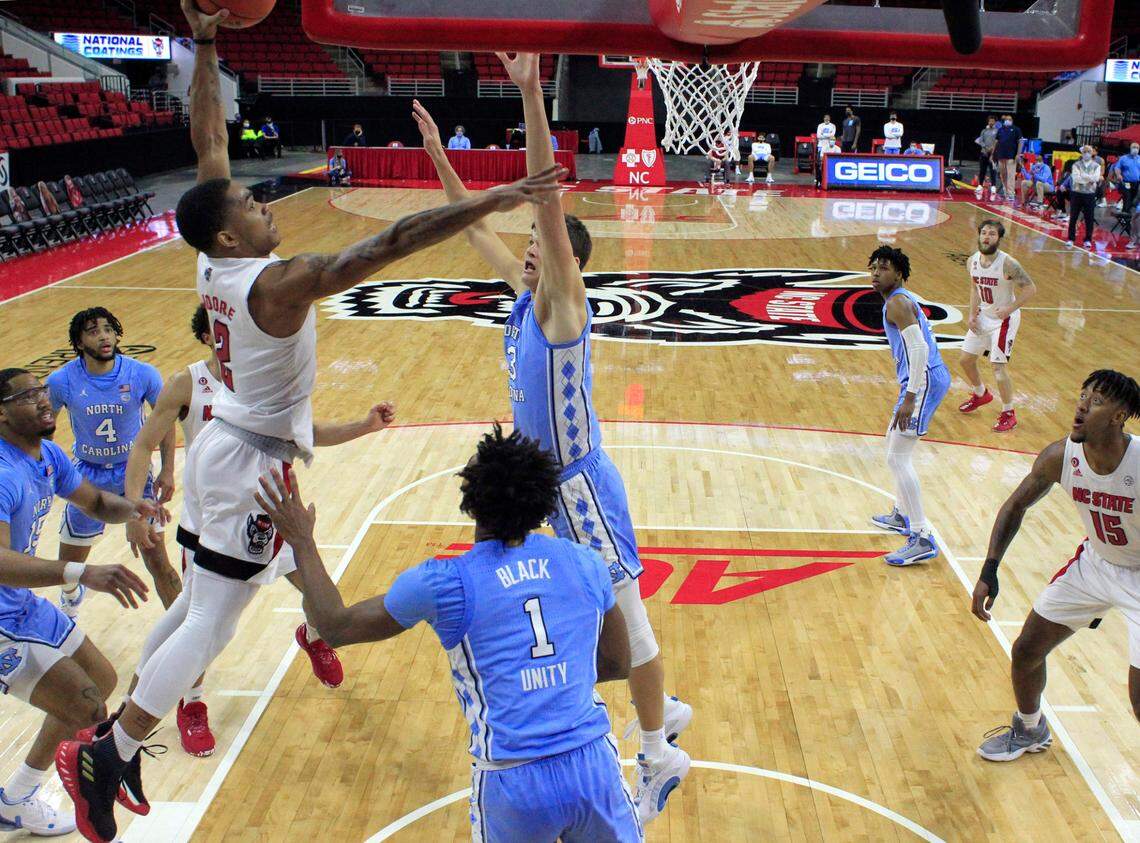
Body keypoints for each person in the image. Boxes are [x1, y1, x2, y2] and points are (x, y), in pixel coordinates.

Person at [52, 5, 567, 842]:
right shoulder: (273, 284)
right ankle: (110, 750)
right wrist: (494, 199)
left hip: (238, 450)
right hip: (248, 460)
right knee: (214, 620)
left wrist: (209, 43)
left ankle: (121, 741)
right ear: (232, 230)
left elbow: (207, 147)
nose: (265, 206)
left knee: (197, 614)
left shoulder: (215, 256)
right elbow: (384, 246)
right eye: (256, 205)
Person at [414, 61, 693, 826]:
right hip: (545, 486)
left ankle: (659, 750)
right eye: (529, 250)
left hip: (581, 483)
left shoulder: (565, 307)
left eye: (541, 246)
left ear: (564, 257)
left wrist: (534, 93)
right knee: (603, 624)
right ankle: (660, 705)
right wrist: (441, 156)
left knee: (629, 623)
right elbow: (473, 226)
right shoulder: (522, 297)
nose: (528, 254)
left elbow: (545, 192)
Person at [254, 426, 642, 842]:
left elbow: (334, 626)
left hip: (514, 779)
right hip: (592, 769)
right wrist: (552, 677)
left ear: (472, 501)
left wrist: (302, 541)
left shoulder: (445, 582)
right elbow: (619, 663)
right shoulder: (585, 562)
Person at [0, 368, 153, 837]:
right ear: (2, 413)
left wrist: (137, 506)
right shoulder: (2, 473)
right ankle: (27, 796)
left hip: (18, 602)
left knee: (101, 681)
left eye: (43, 390)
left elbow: (96, 504)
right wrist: (80, 572)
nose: (44, 401)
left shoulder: (45, 454)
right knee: (86, 706)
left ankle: (15, 800)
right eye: (28, 396)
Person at [972, 370, 1140, 760]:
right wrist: (989, 569)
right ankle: (1030, 730)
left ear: (1119, 416)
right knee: (1027, 651)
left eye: (1096, 400)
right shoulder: (1061, 455)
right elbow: (1016, 504)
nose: (1081, 405)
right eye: (1082, 396)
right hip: (1096, 566)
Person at [45, 308, 177, 615]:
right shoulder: (61, 380)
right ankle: (70, 597)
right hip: (88, 478)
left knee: (160, 563)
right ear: (79, 342)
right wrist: (41, 471)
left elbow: (166, 421)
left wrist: (168, 470)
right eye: (93, 331)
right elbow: (44, 429)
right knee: (68, 566)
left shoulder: (142, 373)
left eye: (108, 329)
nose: (104, 336)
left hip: (136, 474)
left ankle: (181, 629)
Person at [867, 246, 951, 566]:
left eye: (884, 268)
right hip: (924, 379)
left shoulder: (898, 303)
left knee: (897, 457)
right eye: (873, 267)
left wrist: (912, 396)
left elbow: (918, 350)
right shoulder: (899, 299)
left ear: (899, 273)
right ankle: (902, 515)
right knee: (894, 444)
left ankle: (922, 535)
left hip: (923, 380)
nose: (876, 273)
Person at [957, 220, 1037, 433]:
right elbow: (975, 289)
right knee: (965, 359)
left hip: (1005, 320)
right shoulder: (972, 261)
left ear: (999, 239)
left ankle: (1008, 412)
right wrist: (972, 313)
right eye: (984, 232)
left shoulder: (1008, 263)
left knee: (998, 368)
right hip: (984, 315)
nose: (986, 236)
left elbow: (1030, 289)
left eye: (992, 233)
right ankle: (981, 394)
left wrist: (1010, 308)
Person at [1067, 145, 1101, 248]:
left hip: (1090, 195)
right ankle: (1071, 239)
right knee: (1073, 217)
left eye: (1089, 152)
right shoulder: (1076, 165)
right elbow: (1076, 178)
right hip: (1077, 193)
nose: (1087, 153)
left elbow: (1095, 178)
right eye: (1085, 151)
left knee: (1089, 218)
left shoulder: (1097, 166)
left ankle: (1087, 239)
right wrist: (1089, 179)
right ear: (1082, 153)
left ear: (1092, 153)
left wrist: (1084, 176)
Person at [994, 115, 1023, 201]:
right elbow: (996, 142)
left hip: (1011, 156)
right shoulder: (1000, 130)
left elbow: (1020, 142)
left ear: (1012, 121)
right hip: (1001, 155)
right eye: (1007, 119)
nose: (1008, 121)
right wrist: (993, 153)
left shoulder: (1016, 129)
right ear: (1004, 121)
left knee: (1010, 175)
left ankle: (1011, 194)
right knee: (1003, 175)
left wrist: (1018, 154)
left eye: (1010, 119)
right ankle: (1006, 191)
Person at [1108, 142, 1140, 215]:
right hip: (1126, 182)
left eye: (1137, 148)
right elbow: (1117, 167)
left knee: (1133, 199)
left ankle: (1125, 214)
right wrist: (1118, 174)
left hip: (1136, 183)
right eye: (1133, 147)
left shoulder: (1139, 159)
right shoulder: (1124, 158)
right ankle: (1125, 215)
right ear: (1130, 148)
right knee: (1127, 197)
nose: (1135, 149)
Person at [975, 116, 999, 196]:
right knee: (982, 170)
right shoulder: (984, 131)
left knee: (993, 170)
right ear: (988, 122)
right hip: (984, 152)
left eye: (992, 121)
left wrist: (992, 149)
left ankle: (993, 186)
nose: (991, 122)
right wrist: (985, 147)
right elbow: (980, 140)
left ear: (995, 122)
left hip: (993, 154)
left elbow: (997, 141)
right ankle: (980, 185)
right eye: (990, 121)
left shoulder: (997, 131)